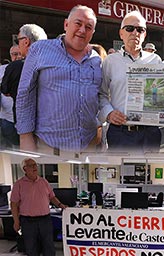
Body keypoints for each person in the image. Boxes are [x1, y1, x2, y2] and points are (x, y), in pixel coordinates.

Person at [16, 5, 102, 153]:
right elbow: (25, 93)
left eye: (88, 27)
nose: (82, 30)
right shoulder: (40, 49)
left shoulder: (96, 59)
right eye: (78, 23)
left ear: (92, 33)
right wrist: (25, 137)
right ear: (66, 24)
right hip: (49, 146)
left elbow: (100, 96)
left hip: (88, 145)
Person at [98, 10, 164, 152]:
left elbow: (160, 95)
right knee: (120, 173)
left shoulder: (155, 60)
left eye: (140, 29)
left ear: (144, 35)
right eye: (130, 28)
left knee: (149, 173)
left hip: (150, 133)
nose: (135, 33)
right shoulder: (110, 61)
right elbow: (101, 94)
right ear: (121, 33)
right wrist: (109, 113)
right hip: (120, 133)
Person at [10, 158, 66, 256]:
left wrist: (60, 205)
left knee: (48, 244)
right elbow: (14, 203)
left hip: (45, 218)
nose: (35, 167)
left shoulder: (44, 182)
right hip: (27, 220)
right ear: (25, 169)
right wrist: (16, 221)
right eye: (31, 165)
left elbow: (52, 197)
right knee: (31, 247)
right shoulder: (19, 184)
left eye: (35, 164)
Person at [1, 24, 47, 127]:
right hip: (51, 126)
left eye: (18, 41)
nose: (18, 45)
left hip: (25, 124)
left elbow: (5, 91)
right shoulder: (56, 64)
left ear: (26, 42)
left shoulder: (14, 67)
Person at [0, 45, 22, 148]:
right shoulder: (2, 70)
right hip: (7, 118)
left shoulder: (28, 69)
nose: (18, 57)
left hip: (24, 119)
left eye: (20, 54)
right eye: (14, 54)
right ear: (10, 56)